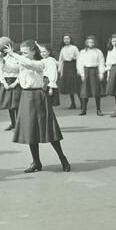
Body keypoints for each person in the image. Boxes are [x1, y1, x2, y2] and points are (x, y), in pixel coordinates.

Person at [4, 41, 70, 173]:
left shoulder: (41, 63)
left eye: (25, 52)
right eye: (21, 52)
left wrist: (13, 54)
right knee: (30, 131)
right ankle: (36, 163)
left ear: (34, 52)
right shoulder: (22, 62)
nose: (22, 54)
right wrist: (2, 59)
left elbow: (29, 64)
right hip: (26, 97)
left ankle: (63, 159)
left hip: (38, 97)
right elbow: (9, 69)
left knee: (48, 131)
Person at [76, 36, 106, 116]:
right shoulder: (82, 52)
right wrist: (82, 74)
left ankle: (98, 110)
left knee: (96, 92)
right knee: (85, 91)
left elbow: (101, 62)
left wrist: (101, 73)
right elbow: (79, 63)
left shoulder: (98, 52)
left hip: (95, 71)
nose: (91, 44)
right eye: (89, 42)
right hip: (86, 71)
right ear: (86, 43)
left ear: (95, 43)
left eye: (92, 42)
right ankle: (84, 110)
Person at [0, 44, 21, 131]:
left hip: (16, 82)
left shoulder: (18, 58)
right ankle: (13, 123)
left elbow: (21, 71)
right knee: (9, 104)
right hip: (7, 82)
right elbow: (1, 70)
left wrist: (16, 83)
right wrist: (4, 83)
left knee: (16, 104)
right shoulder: (3, 59)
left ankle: (18, 124)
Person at [58, 35, 80, 109]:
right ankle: (73, 103)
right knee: (69, 86)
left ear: (70, 39)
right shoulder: (63, 49)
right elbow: (61, 60)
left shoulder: (74, 48)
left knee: (76, 85)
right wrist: (60, 70)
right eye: (64, 39)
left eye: (67, 39)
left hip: (73, 66)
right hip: (66, 67)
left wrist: (78, 68)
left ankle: (82, 103)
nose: (66, 40)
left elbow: (79, 58)